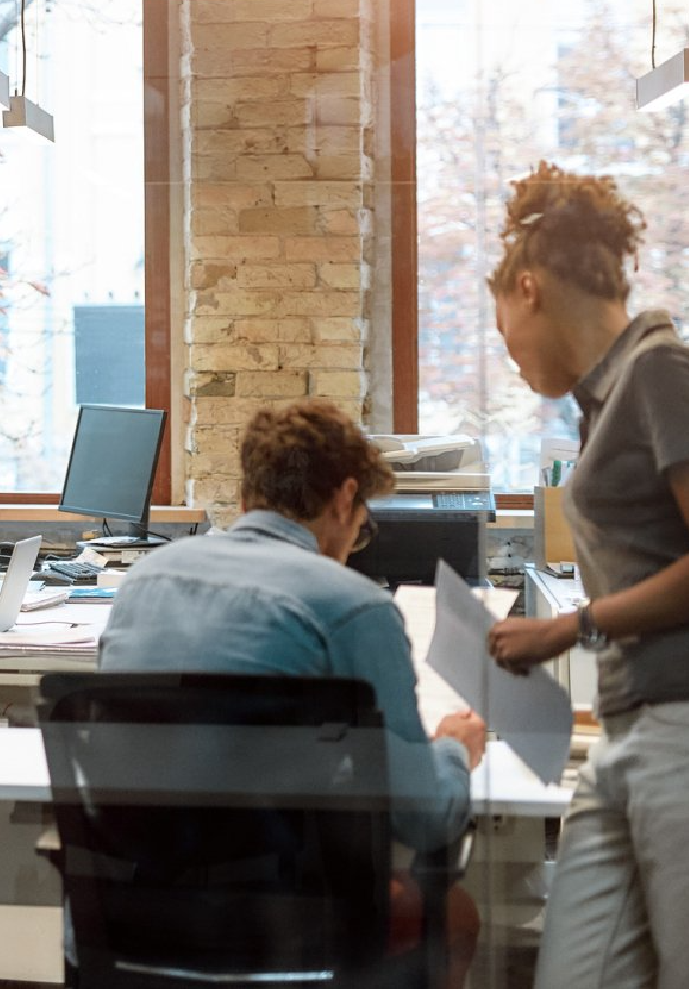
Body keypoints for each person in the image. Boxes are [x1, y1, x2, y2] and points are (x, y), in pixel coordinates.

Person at [99, 400, 486, 989]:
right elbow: (423, 818)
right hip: (288, 930)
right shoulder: (353, 605)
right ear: (343, 497)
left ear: (249, 496)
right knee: (456, 914)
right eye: (362, 520)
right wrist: (453, 749)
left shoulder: (141, 582)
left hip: (133, 919)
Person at [486, 161, 689, 989]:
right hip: (628, 728)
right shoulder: (608, 398)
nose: (513, 362)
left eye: (505, 335)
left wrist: (572, 626)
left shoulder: (658, 370)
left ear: (529, 290)